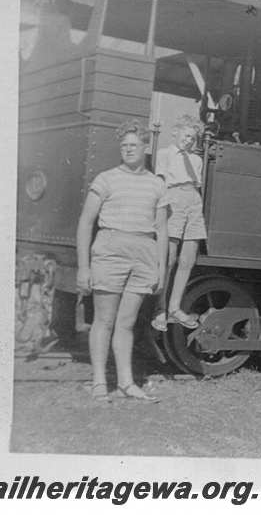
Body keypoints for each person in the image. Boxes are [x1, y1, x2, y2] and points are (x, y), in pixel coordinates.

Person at [76, 119, 169, 403]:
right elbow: (85, 224)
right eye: (124, 145)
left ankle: (127, 383)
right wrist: (83, 267)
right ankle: (99, 383)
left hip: (144, 253)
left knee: (126, 324)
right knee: (103, 320)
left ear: (145, 147)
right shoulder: (105, 178)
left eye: (134, 145)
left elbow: (162, 230)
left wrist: (160, 271)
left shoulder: (157, 184)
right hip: (109, 251)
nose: (128, 150)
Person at [151, 115, 207, 331]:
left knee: (188, 258)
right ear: (175, 132)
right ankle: (160, 307)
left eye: (193, 138)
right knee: (169, 257)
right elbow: (161, 183)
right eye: (186, 135)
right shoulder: (164, 154)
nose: (189, 140)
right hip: (173, 198)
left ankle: (175, 306)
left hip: (193, 200)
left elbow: (197, 185)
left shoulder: (197, 159)